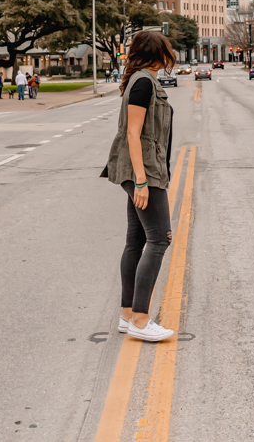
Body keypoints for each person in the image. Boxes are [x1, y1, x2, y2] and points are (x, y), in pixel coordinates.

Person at [101, 31, 176, 343]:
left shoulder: (141, 80)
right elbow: (133, 134)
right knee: (159, 240)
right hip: (143, 172)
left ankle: (128, 315)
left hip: (138, 170)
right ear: (158, 52)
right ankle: (141, 321)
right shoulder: (144, 82)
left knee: (136, 241)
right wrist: (143, 182)